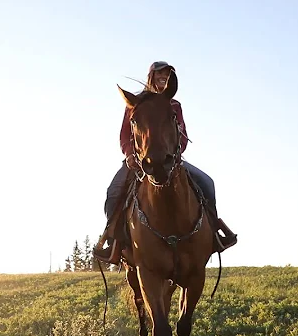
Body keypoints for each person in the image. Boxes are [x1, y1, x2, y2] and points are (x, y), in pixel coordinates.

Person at [94, 61, 237, 264]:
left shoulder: (174, 105)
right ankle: (113, 241)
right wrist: (130, 155)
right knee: (114, 191)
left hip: (171, 160)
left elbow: (183, 135)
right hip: (138, 160)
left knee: (207, 182)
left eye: (167, 75)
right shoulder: (134, 103)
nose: (163, 77)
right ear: (151, 76)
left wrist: (175, 154)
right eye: (160, 74)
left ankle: (214, 232)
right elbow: (125, 135)